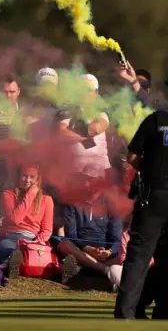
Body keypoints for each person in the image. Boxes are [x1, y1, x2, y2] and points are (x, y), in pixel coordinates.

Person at [115, 109, 168, 319]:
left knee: (138, 257)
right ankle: (164, 312)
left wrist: (149, 172)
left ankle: (125, 313)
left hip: (153, 195)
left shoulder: (155, 120)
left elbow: (132, 156)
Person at [58, 165, 123, 287]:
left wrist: (108, 252)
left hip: (105, 254)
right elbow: (71, 235)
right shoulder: (72, 201)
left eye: (93, 179)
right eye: (85, 179)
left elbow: (116, 239)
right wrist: (88, 249)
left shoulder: (112, 204)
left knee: (128, 252)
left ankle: (82, 271)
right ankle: (105, 272)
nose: (88, 183)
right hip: (81, 249)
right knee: (64, 244)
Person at [0, 163, 54, 271]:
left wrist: (34, 244)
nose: (27, 180)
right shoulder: (8, 194)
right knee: (4, 246)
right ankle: (14, 263)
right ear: (19, 177)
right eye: (24, 175)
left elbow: (47, 230)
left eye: (32, 177)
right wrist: (30, 195)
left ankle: (14, 263)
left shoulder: (47, 199)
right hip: (11, 236)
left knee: (39, 253)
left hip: (32, 239)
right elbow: (15, 219)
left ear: (38, 180)